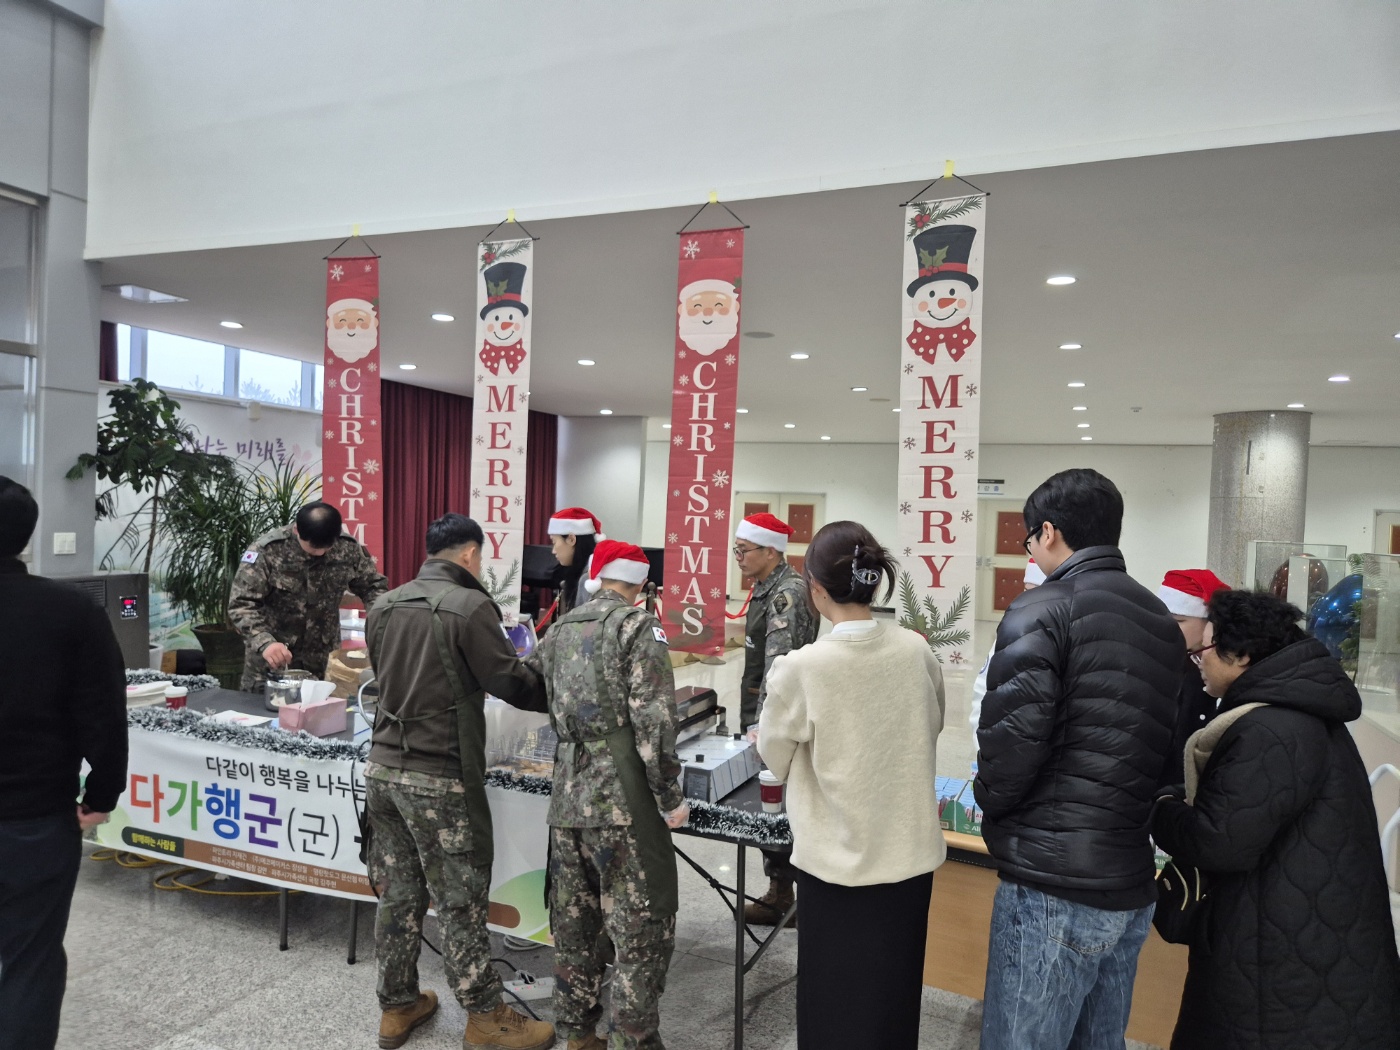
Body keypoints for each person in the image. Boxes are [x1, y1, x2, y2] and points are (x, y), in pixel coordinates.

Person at [974, 468, 1183, 1050]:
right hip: (1130, 878)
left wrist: (990, 805)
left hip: (1052, 884)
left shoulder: (1040, 609)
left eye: (1029, 539)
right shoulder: (1160, 620)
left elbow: (1010, 747)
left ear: (1048, 532)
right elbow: (1165, 749)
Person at [1151, 589, 1400, 1049]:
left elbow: (1219, 841)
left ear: (1243, 655)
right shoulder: (1300, 711)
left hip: (1278, 956)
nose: (1198, 660)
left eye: (1206, 649)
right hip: (1307, 935)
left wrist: (1162, 807)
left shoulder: (1270, 729)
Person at [364, 513, 553, 1050]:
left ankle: (397, 1005)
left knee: (398, 894)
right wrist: (559, 690)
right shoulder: (469, 606)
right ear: (470, 554)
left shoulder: (384, 605)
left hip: (383, 771)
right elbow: (510, 682)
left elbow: (386, 678)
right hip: (440, 774)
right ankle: (486, 1017)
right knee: (460, 900)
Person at [758, 522, 946, 1050]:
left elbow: (774, 758)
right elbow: (931, 724)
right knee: (894, 1000)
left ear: (816, 588)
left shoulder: (802, 668)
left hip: (835, 867)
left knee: (833, 1006)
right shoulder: (916, 652)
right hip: (909, 862)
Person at [526, 540, 687, 1050]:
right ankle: (631, 1041)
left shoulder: (560, 628)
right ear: (641, 583)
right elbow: (654, 722)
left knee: (575, 924)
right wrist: (670, 797)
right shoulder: (637, 627)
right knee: (641, 930)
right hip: (624, 799)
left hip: (566, 797)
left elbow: (529, 684)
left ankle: (576, 1034)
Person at [0, 476, 127, 1050]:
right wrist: (101, 796)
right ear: (27, 537)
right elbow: (103, 714)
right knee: (30, 960)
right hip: (35, 819)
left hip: (35, 814)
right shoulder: (71, 611)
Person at [733, 511, 819, 926]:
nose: (738, 557)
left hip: (777, 718)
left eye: (744, 550)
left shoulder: (787, 594)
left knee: (778, 806)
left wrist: (762, 725)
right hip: (764, 712)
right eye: (736, 550)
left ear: (770, 551)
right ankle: (782, 890)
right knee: (772, 804)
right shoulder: (768, 587)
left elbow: (777, 667)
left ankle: (786, 895)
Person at [228, 500, 387, 691]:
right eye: (313, 548)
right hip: (274, 661)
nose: (320, 553)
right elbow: (241, 604)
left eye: (326, 548)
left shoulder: (348, 548)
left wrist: (379, 623)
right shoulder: (267, 551)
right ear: (296, 530)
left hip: (322, 662)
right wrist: (264, 642)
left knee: (324, 709)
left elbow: (373, 587)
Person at [1155, 568, 1229, 787]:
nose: (1169, 628)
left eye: (1179, 620)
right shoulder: (1163, 663)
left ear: (1209, 622)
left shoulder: (1223, 668)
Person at [968, 557, 1044, 732]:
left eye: (1040, 593)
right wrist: (981, 739)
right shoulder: (1012, 632)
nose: (1031, 601)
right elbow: (983, 689)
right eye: (1027, 591)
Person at [546, 506, 603, 618]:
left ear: (571, 539)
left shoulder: (588, 580)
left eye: (554, 542)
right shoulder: (587, 572)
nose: (553, 551)